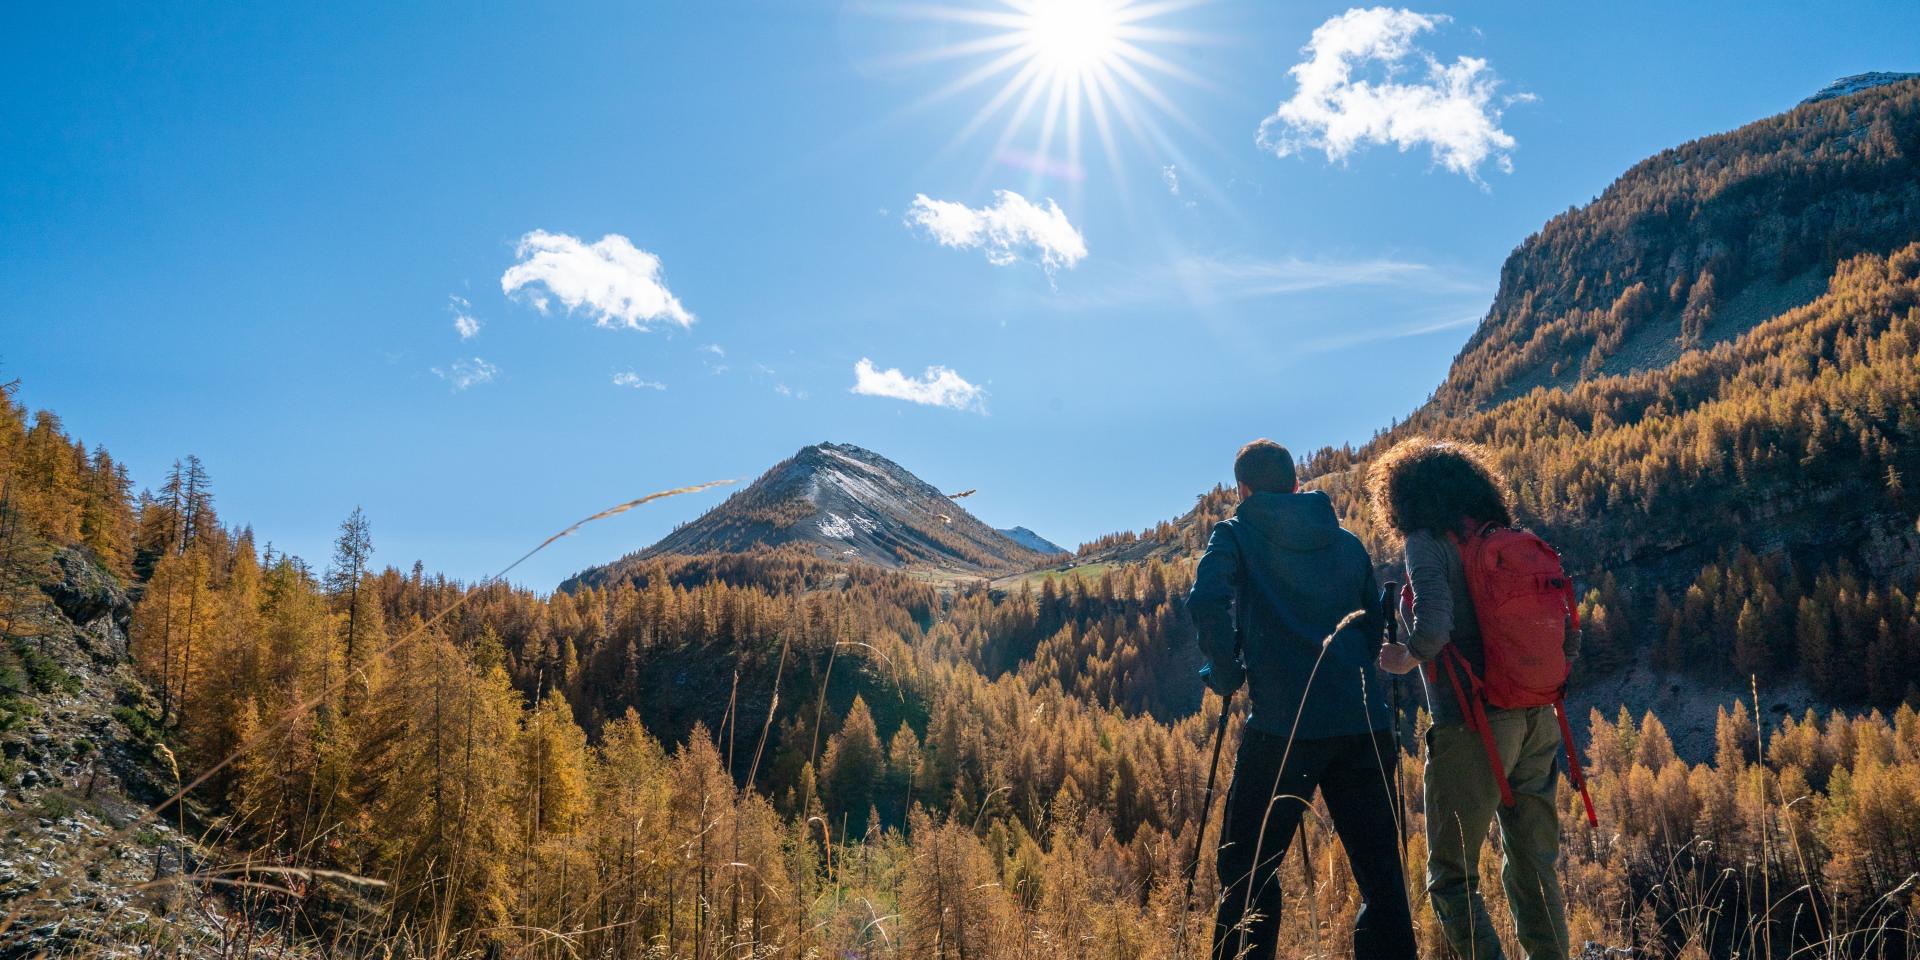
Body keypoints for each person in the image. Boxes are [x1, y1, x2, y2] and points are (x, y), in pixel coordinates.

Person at [1189, 439, 1416, 960]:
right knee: (1382, 879)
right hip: (1362, 726)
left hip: (1280, 730)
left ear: (1241, 490)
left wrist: (1226, 673)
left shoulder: (1236, 534)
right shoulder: (1347, 543)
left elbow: (1206, 600)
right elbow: (1373, 627)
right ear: (1296, 484)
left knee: (1247, 876)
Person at [1369, 438, 1580, 960]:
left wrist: (1405, 656)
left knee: (1451, 877)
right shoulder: (1506, 537)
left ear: (1402, 495)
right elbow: (1570, 637)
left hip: (1473, 724)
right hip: (1538, 716)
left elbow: (1435, 624)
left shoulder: (1427, 541)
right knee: (1533, 862)